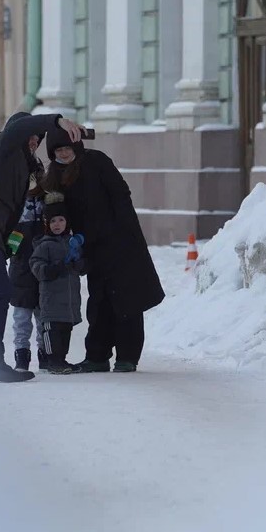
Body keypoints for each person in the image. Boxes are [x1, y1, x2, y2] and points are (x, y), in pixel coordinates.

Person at [0, 111, 84, 383]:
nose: (34, 141)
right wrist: (58, 121)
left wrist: (6, 242)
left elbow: (11, 211)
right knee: (0, 293)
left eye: (37, 138)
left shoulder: (19, 166)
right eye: (31, 136)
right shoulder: (1, 145)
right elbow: (20, 128)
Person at [42, 129, 164, 372]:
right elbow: (57, 210)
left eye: (67, 147)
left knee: (126, 300)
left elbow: (121, 196)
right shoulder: (55, 175)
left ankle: (127, 357)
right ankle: (97, 356)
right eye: (58, 150)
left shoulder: (97, 161)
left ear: (76, 145)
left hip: (120, 242)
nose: (64, 153)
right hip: (90, 246)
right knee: (99, 301)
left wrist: (123, 232)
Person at [29, 193, 87, 374]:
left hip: (68, 302)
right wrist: (53, 269)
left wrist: (77, 263)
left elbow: (82, 268)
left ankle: (62, 359)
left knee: (65, 331)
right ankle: (52, 360)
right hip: (51, 301)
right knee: (51, 332)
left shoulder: (72, 244)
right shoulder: (44, 244)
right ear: (47, 223)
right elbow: (36, 265)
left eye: (61, 220)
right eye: (53, 221)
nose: (57, 224)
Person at [8, 163, 47, 371]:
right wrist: (11, 249)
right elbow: (7, 236)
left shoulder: (48, 201)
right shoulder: (14, 203)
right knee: (21, 318)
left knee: (43, 317)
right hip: (21, 268)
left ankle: (45, 353)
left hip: (43, 268)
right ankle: (21, 355)